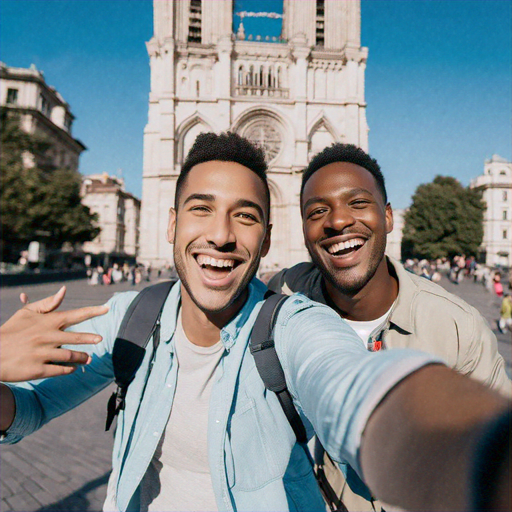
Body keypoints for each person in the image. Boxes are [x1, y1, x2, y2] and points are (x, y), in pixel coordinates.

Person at [1, 133, 510, 512]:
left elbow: (346, 381)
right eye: (202, 209)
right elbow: (26, 411)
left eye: (245, 216)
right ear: (172, 223)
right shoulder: (127, 317)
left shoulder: (291, 324)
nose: (221, 235)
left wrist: (475, 446)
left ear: (266, 240)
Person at [268, 142, 511, 510]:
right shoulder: (278, 297)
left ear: (389, 218)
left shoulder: (458, 328)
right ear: (303, 230)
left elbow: (491, 443)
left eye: (358, 203)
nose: (337, 221)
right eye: (318, 211)